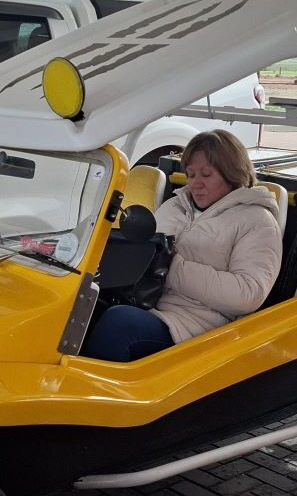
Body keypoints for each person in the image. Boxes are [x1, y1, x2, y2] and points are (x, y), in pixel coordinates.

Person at [83, 130, 282, 362]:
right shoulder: (174, 206)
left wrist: (170, 267)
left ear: (232, 174)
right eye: (191, 174)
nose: (196, 184)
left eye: (206, 175)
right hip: (143, 301)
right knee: (79, 309)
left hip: (194, 324)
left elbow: (247, 295)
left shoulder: (257, 221)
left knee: (119, 325)